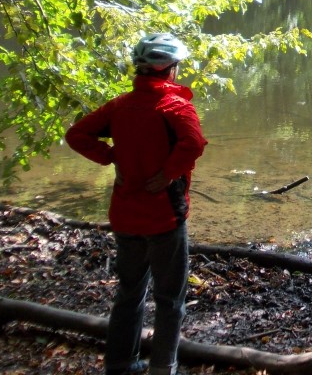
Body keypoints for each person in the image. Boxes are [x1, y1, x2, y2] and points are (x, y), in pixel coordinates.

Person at [66, 33, 208, 375]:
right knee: (170, 300)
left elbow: (76, 135)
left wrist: (110, 155)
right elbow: (194, 143)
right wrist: (170, 173)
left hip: (125, 215)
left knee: (129, 293)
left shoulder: (119, 106)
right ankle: (163, 368)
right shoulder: (175, 106)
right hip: (164, 217)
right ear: (171, 70)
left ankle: (119, 364)